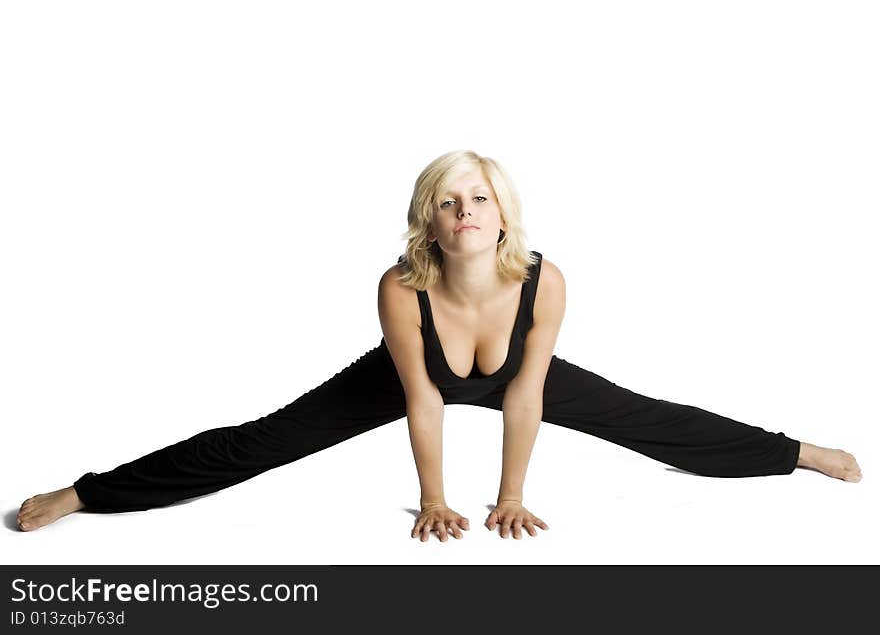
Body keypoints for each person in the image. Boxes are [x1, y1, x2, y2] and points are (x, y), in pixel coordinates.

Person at [17, 149, 862, 541]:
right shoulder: (400, 286)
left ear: (502, 211)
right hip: (408, 371)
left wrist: (508, 493)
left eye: (480, 199)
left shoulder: (544, 278)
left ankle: (796, 454)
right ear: (431, 216)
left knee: (654, 420)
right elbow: (423, 399)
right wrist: (432, 497)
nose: (466, 213)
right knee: (262, 442)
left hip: (515, 377)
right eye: (450, 201)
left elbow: (524, 396)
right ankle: (87, 494)